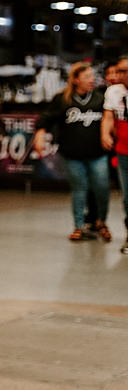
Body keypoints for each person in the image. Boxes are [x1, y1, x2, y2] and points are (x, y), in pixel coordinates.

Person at [34, 58, 112, 241]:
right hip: (72, 154)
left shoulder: (101, 98)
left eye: (93, 76)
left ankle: (101, 221)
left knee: (101, 187)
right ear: (76, 79)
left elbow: (110, 118)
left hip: (97, 153)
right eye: (87, 76)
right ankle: (78, 226)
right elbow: (46, 117)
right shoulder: (63, 99)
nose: (92, 79)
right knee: (79, 188)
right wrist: (40, 134)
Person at [101, 55, 128, 252]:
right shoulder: (113, 92)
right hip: (123, 152)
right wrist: (105, 133)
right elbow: (108, 116)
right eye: (118, 71)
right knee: (127, 196)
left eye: (124, 72)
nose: (119, 75)